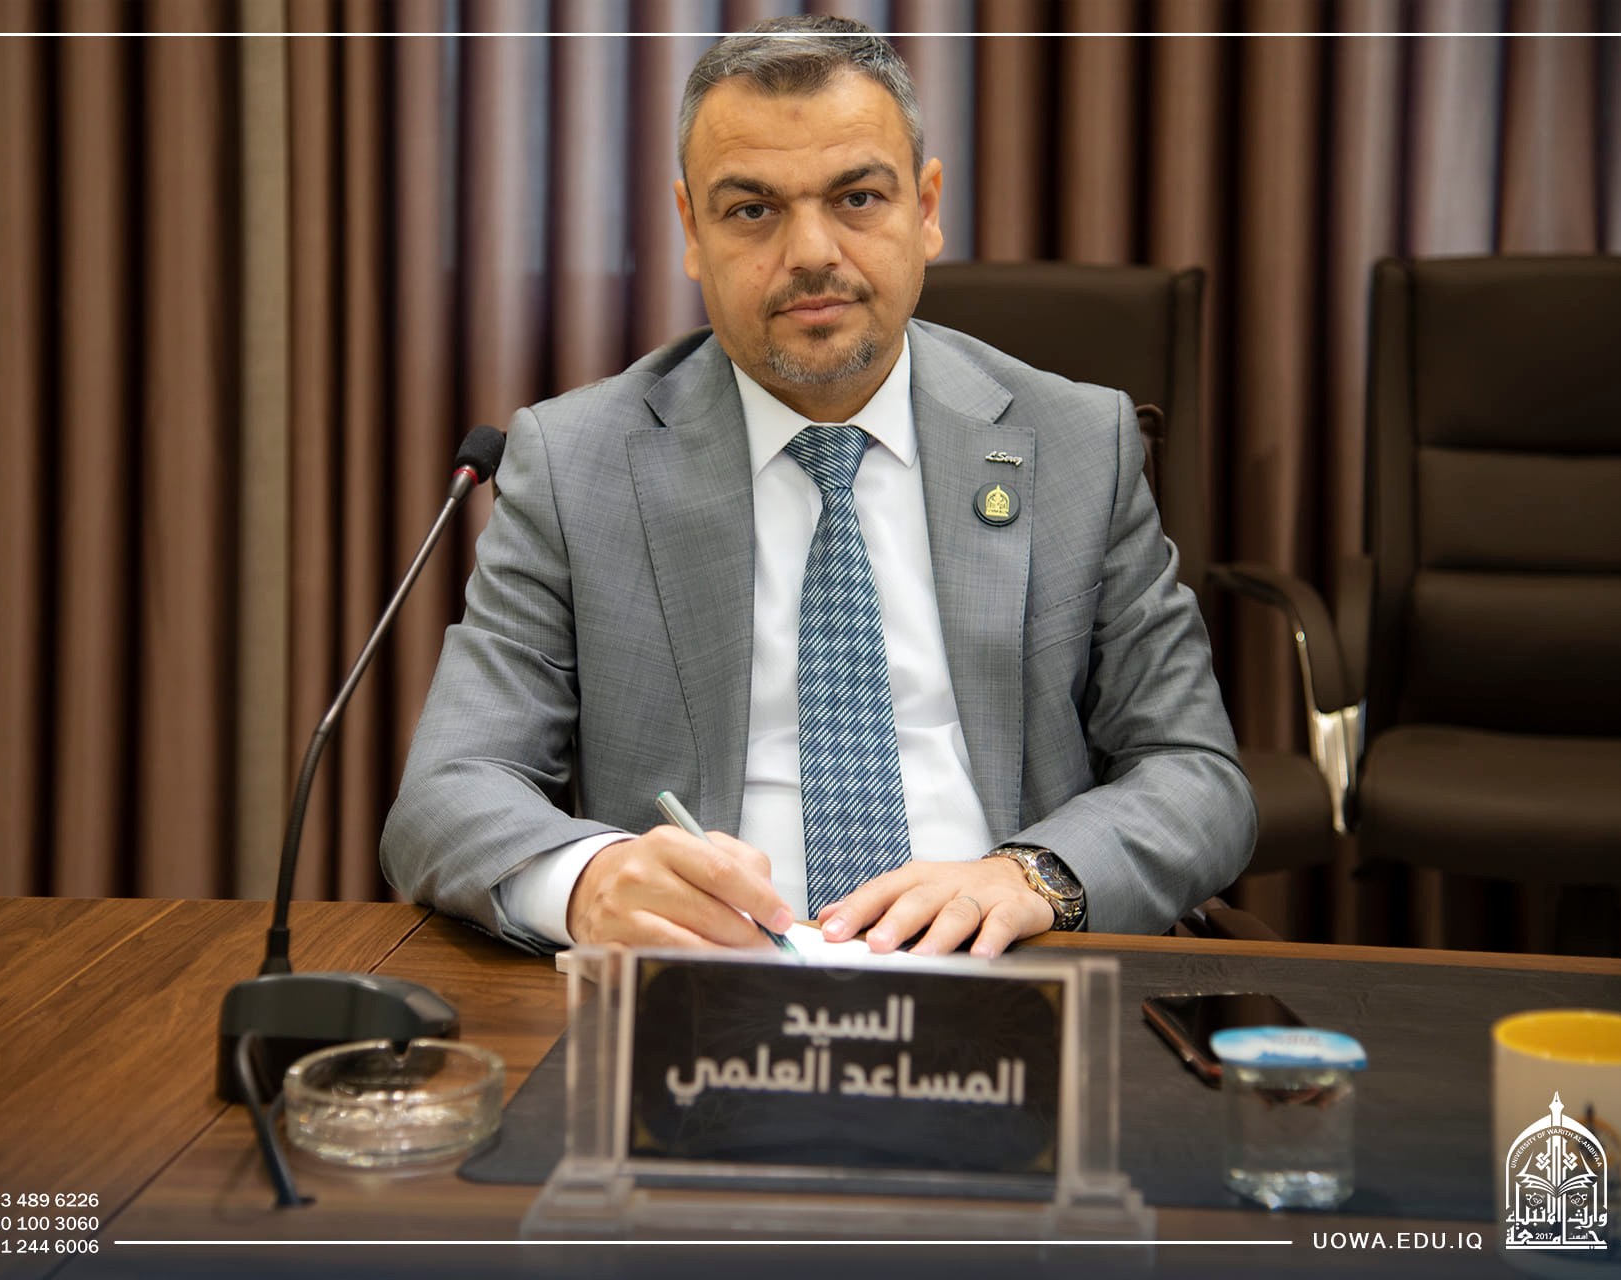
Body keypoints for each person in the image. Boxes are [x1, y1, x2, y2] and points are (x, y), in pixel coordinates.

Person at [383, 16, 1255, 957]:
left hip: (1010, 970)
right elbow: (446, 793)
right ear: (692, 230)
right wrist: (590, 881)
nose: (810, 252)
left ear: (926, 208)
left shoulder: (1078, 442)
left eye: (857, 198)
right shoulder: (575, 463)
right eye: (752, 210)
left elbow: (1196, 775)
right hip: (709, 981)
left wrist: (1032, 877)